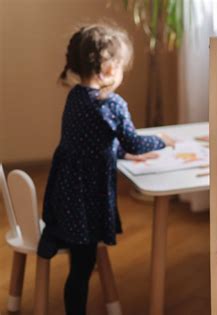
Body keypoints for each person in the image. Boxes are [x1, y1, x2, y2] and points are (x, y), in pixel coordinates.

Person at [37, 23, 173, 315]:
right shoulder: (111, 104)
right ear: (109, 67)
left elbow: (91, 139)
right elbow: (136, 142)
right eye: (121, 64)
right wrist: (161, 141)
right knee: (82, 267)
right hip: (86, 200)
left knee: (80, 261)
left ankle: (58, 237)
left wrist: (120, 152)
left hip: (66, 194)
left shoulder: (75, 97)